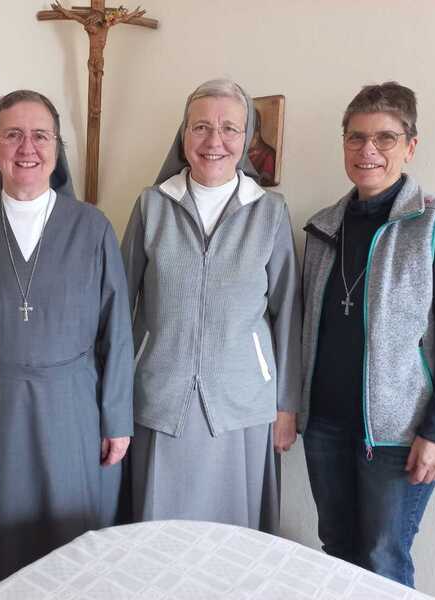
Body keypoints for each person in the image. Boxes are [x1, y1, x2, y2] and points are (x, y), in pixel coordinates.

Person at [0, 90, 134, 594]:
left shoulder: (92, 226)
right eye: (12, 134)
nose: (27, 147)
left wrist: (117, 418)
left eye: (40, 134)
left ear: (56, 145)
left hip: (73, 409)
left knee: (72, 546)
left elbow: (118, 329)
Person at [299, 82, 435, 588]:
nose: (368, 151)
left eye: (385, 138)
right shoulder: (322, 227)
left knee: (383, 559)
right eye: (356, 138)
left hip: (400, 433)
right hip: (326, 427)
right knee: (336, 550)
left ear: (410, 145)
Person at [122, 78, 302, 532]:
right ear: (183, 136)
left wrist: (287, 406)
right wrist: (113, 398)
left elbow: (287, 315)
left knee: (232, 542)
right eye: (200, 127)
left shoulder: (270, 212)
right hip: (159, 400)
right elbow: (120, 306)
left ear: (246, 140)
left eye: (229, 129)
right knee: (156, 537)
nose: (214, 141)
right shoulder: (151, 206)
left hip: (242, 404)